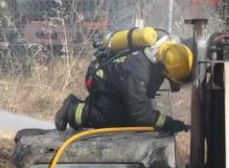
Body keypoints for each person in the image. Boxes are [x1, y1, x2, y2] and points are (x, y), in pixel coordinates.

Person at [54, 28, 193, 134]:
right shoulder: (139, 69)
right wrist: (169, 124)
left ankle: (96, 104)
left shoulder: (168, 47)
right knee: (117, 120)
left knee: (135, 115)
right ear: (165, 69)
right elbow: (140, 113)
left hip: (119, 82)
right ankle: (73, 109)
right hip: (101, 81)